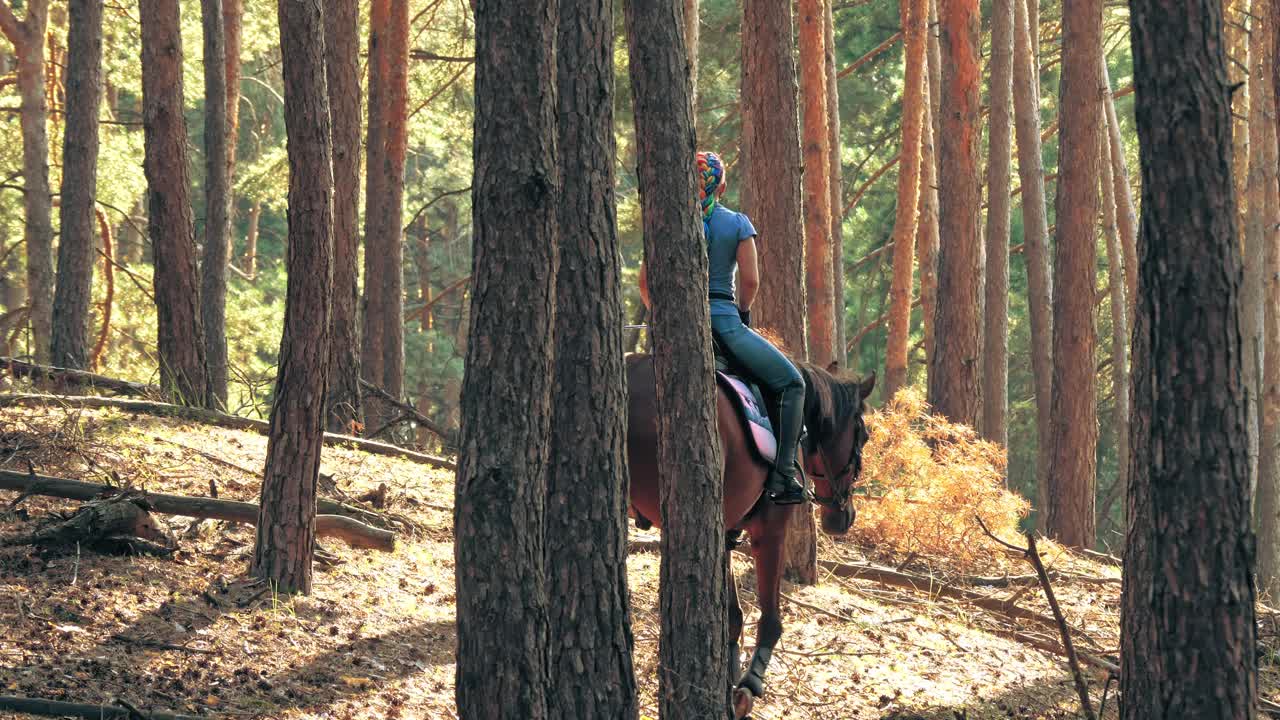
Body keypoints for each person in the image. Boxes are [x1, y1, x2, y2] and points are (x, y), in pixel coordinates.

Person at [638, 151, 808, 505]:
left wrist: (666, 317)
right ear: (723, 186)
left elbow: (644, 283)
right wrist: (741, 313)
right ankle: (783, 475)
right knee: (792, 383)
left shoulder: (665, 222)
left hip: (675, 327)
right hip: (725, 325)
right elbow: (751, 282)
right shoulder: (737, 224)